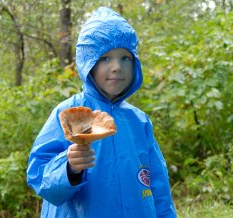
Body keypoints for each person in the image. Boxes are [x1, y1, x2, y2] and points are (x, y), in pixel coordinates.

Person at [27, 6, 177, 218]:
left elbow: (158, 186)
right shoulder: (68, 114)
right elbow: (39, 177)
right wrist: (69, 167)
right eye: (105, 58)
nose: (117, 67)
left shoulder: (139, 121)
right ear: (88, 63)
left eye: (126, 58)